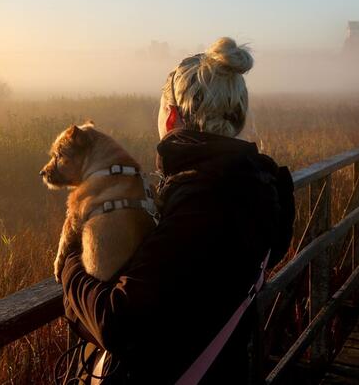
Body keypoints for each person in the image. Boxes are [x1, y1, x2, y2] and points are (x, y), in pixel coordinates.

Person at [58, 37, 296, 384]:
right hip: (223, 369)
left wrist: (70, 264)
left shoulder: (203, 201)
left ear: (171, 117)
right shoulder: (260, 186)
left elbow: (117, 322)